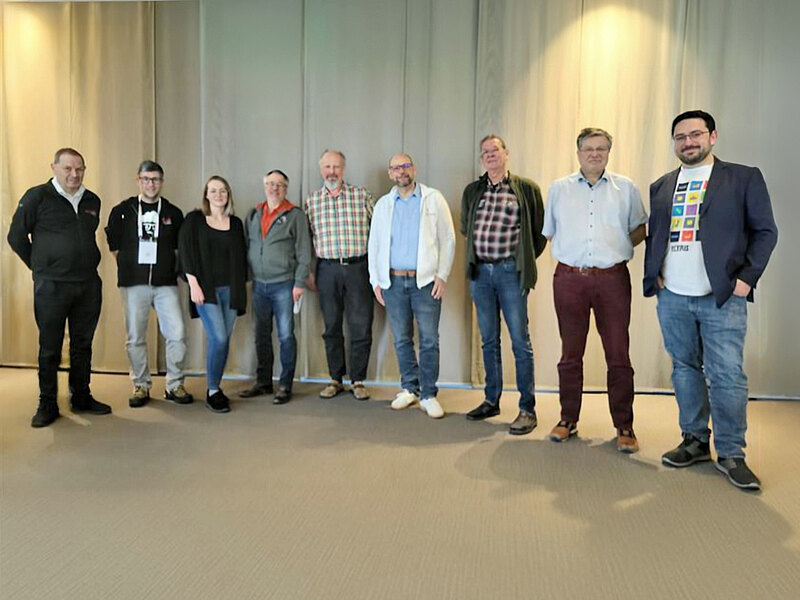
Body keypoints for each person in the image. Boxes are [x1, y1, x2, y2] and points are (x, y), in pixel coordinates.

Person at [644, 110, 778, 490]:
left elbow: (766, 231)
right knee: (684, 369)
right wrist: (654, 274)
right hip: (673, 296)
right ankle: (695, 440)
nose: (688, 142)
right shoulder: (661, 185)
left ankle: (732, 452)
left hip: (722, 297)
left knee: (726, 376)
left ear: (712, 136)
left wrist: (746, 280)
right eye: (680, 137)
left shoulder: (743, 177)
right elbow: (657, 234)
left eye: (695, 134)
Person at [543, 128, 648, 452]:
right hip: (569, 279)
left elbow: (639, 229)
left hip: (612, 280)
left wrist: (613, 249)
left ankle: (624, 425)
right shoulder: (559, 189)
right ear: (578, 153)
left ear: (608, 153)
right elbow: (551, 232)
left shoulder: (626, 188)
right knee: (570, 353)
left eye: (601, 148)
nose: (594, 154)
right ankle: (567, 419)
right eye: (588, 148)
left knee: (618, 353)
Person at [7, 148, 111, 427]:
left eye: (79, 169)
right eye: (67, 168)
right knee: (50, 347)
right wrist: (40, 267)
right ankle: (47, 403)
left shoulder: (92, 200)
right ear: (53, 168)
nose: (74, 174)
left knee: (82, 344)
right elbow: (16, 236)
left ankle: (81, 396)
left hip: (87, 285)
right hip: (52, 286)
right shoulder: (37, 197)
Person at [460, 135, 546, 435]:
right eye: (484, 152)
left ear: (506, 153)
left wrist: (521, 261)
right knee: (488, 340)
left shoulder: (526, 188)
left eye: (494, 150)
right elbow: (466, 227)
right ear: (481, 158)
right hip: (481, 274)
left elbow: (538, 234)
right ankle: (491, 400)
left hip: (511, 273)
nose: (490, 155)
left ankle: (527, 409)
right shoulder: (473, 191)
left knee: (520, 342)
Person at [368, 154, 455, 418]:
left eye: (405, 166)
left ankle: (428, 394)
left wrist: (442, 275)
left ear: (413, 169)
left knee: (429, 339)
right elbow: (375, 244)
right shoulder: (383, 205)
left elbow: (448, 239)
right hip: (393, 282)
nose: (401, 171)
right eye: (396, 168)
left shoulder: (433, 199)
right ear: (390, 173)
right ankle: (409, 388)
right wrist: (375, 280)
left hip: (425, 281)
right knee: (402, 338)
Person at [105, 160, 193, 408]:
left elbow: (178, 249)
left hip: (165, 284)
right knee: (135, 336)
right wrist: (132, 267)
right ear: (138, 181)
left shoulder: (173, 213)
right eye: (146, 179)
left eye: (155, 179)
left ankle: (174, 384)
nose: (151, 184)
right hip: (134, 284)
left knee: (177, 334)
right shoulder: (123, 210)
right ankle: (141, 385)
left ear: (161, 182)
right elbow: (114, 246)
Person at [304, 150, 375, 400]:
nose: (331, 172)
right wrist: (309, 272)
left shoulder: (361, 195)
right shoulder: (312, 201)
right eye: (327, 167)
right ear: (321, 169)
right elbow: (305, 241)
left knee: (361, 325)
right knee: (331, 325)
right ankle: (335, 379)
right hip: (327, 270)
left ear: (343, 169)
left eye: (336, 167)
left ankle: (358, 380)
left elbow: (379, 231)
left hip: (358, 268)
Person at [240, 170, 311, 404]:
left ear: (285, 189)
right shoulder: (253, 214)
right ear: (265, 186)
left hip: (284, 285)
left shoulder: (295, 215)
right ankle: (263, 382)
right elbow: (246, 246)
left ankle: (285, 385)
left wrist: (299, 283)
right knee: (261, 335)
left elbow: (304, 252)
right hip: (259, 285)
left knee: (285, 335)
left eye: (279, 185)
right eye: (271, 183)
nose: (274, 188)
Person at [178, 176, 247, 413]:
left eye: (223, 190)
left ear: (228, 195)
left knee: (224, 339)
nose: (218, 195)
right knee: (219, 338)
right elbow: (185, 253)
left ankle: (215, 388)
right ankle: (213, 390)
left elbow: (240, 258)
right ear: (206, 195)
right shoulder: (194, 220)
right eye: (213, 190)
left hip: (231, 290)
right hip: (206, 291)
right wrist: (193, 285)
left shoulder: (235, 223)